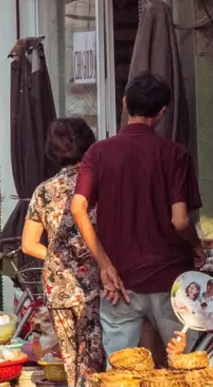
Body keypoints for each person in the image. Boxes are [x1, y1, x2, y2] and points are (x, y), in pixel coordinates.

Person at [71, 74, 200, 358]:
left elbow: (78, 207)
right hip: (171, 282)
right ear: (162, 111)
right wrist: (197, 245)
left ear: (125, 103)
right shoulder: (175, 154)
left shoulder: (98, 152)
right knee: (186, 368)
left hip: (120, 281)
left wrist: (105, 265)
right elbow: (180, 221)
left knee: (119, 374)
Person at [22, 116, 103, 384]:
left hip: (57, 284)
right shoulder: (98, 184)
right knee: (95, 357)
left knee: (70, 359)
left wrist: (59, 258)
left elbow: (29, 244)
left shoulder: (43, 191)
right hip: (94, 280)